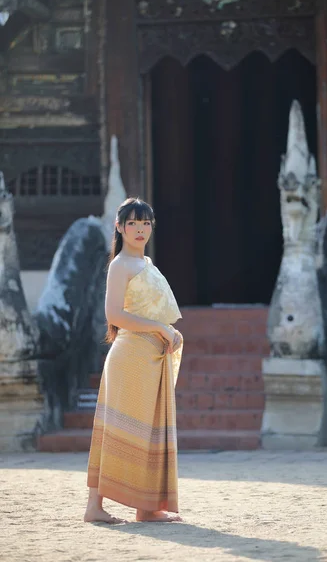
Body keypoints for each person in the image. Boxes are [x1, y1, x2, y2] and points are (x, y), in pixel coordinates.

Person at [84, 197, 183, 523]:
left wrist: (168, 330)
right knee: (115, 429)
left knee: (149, 430)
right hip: (130, 357)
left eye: (146, 223)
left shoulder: (147, 264)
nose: (140, 229)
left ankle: (146, 507)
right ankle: (94, 508)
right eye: (133, 223)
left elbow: (150, 312)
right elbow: (114, 314)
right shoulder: (119, 265)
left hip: (152, 356)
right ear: (119, 227)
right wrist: (159, 327)